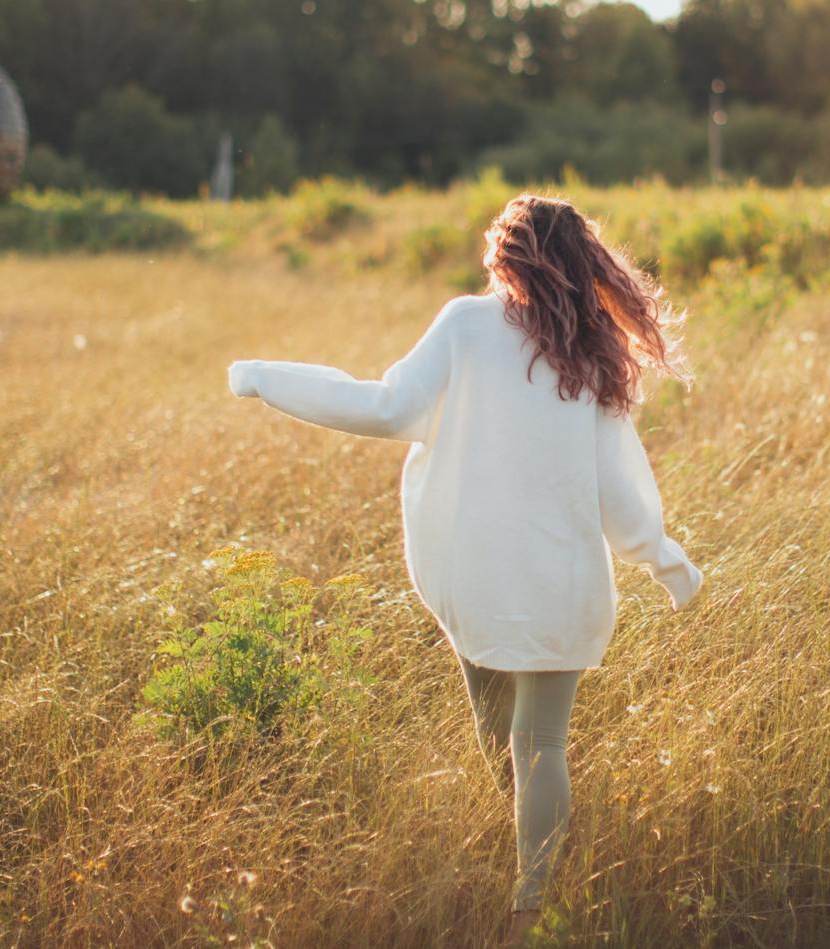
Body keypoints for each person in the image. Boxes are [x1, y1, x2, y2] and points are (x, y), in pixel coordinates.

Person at [226, 193, 705, 938]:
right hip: (559, 581)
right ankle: (534, 896)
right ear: (581, 265)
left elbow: (385, 406)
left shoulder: (465, 324)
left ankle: (530, 870)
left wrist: (265, 376)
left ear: (506, 256)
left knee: (499, 735)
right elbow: (619, 491)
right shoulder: (590, 349)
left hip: (475, 573)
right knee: (539, 744)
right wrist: (665, 559)